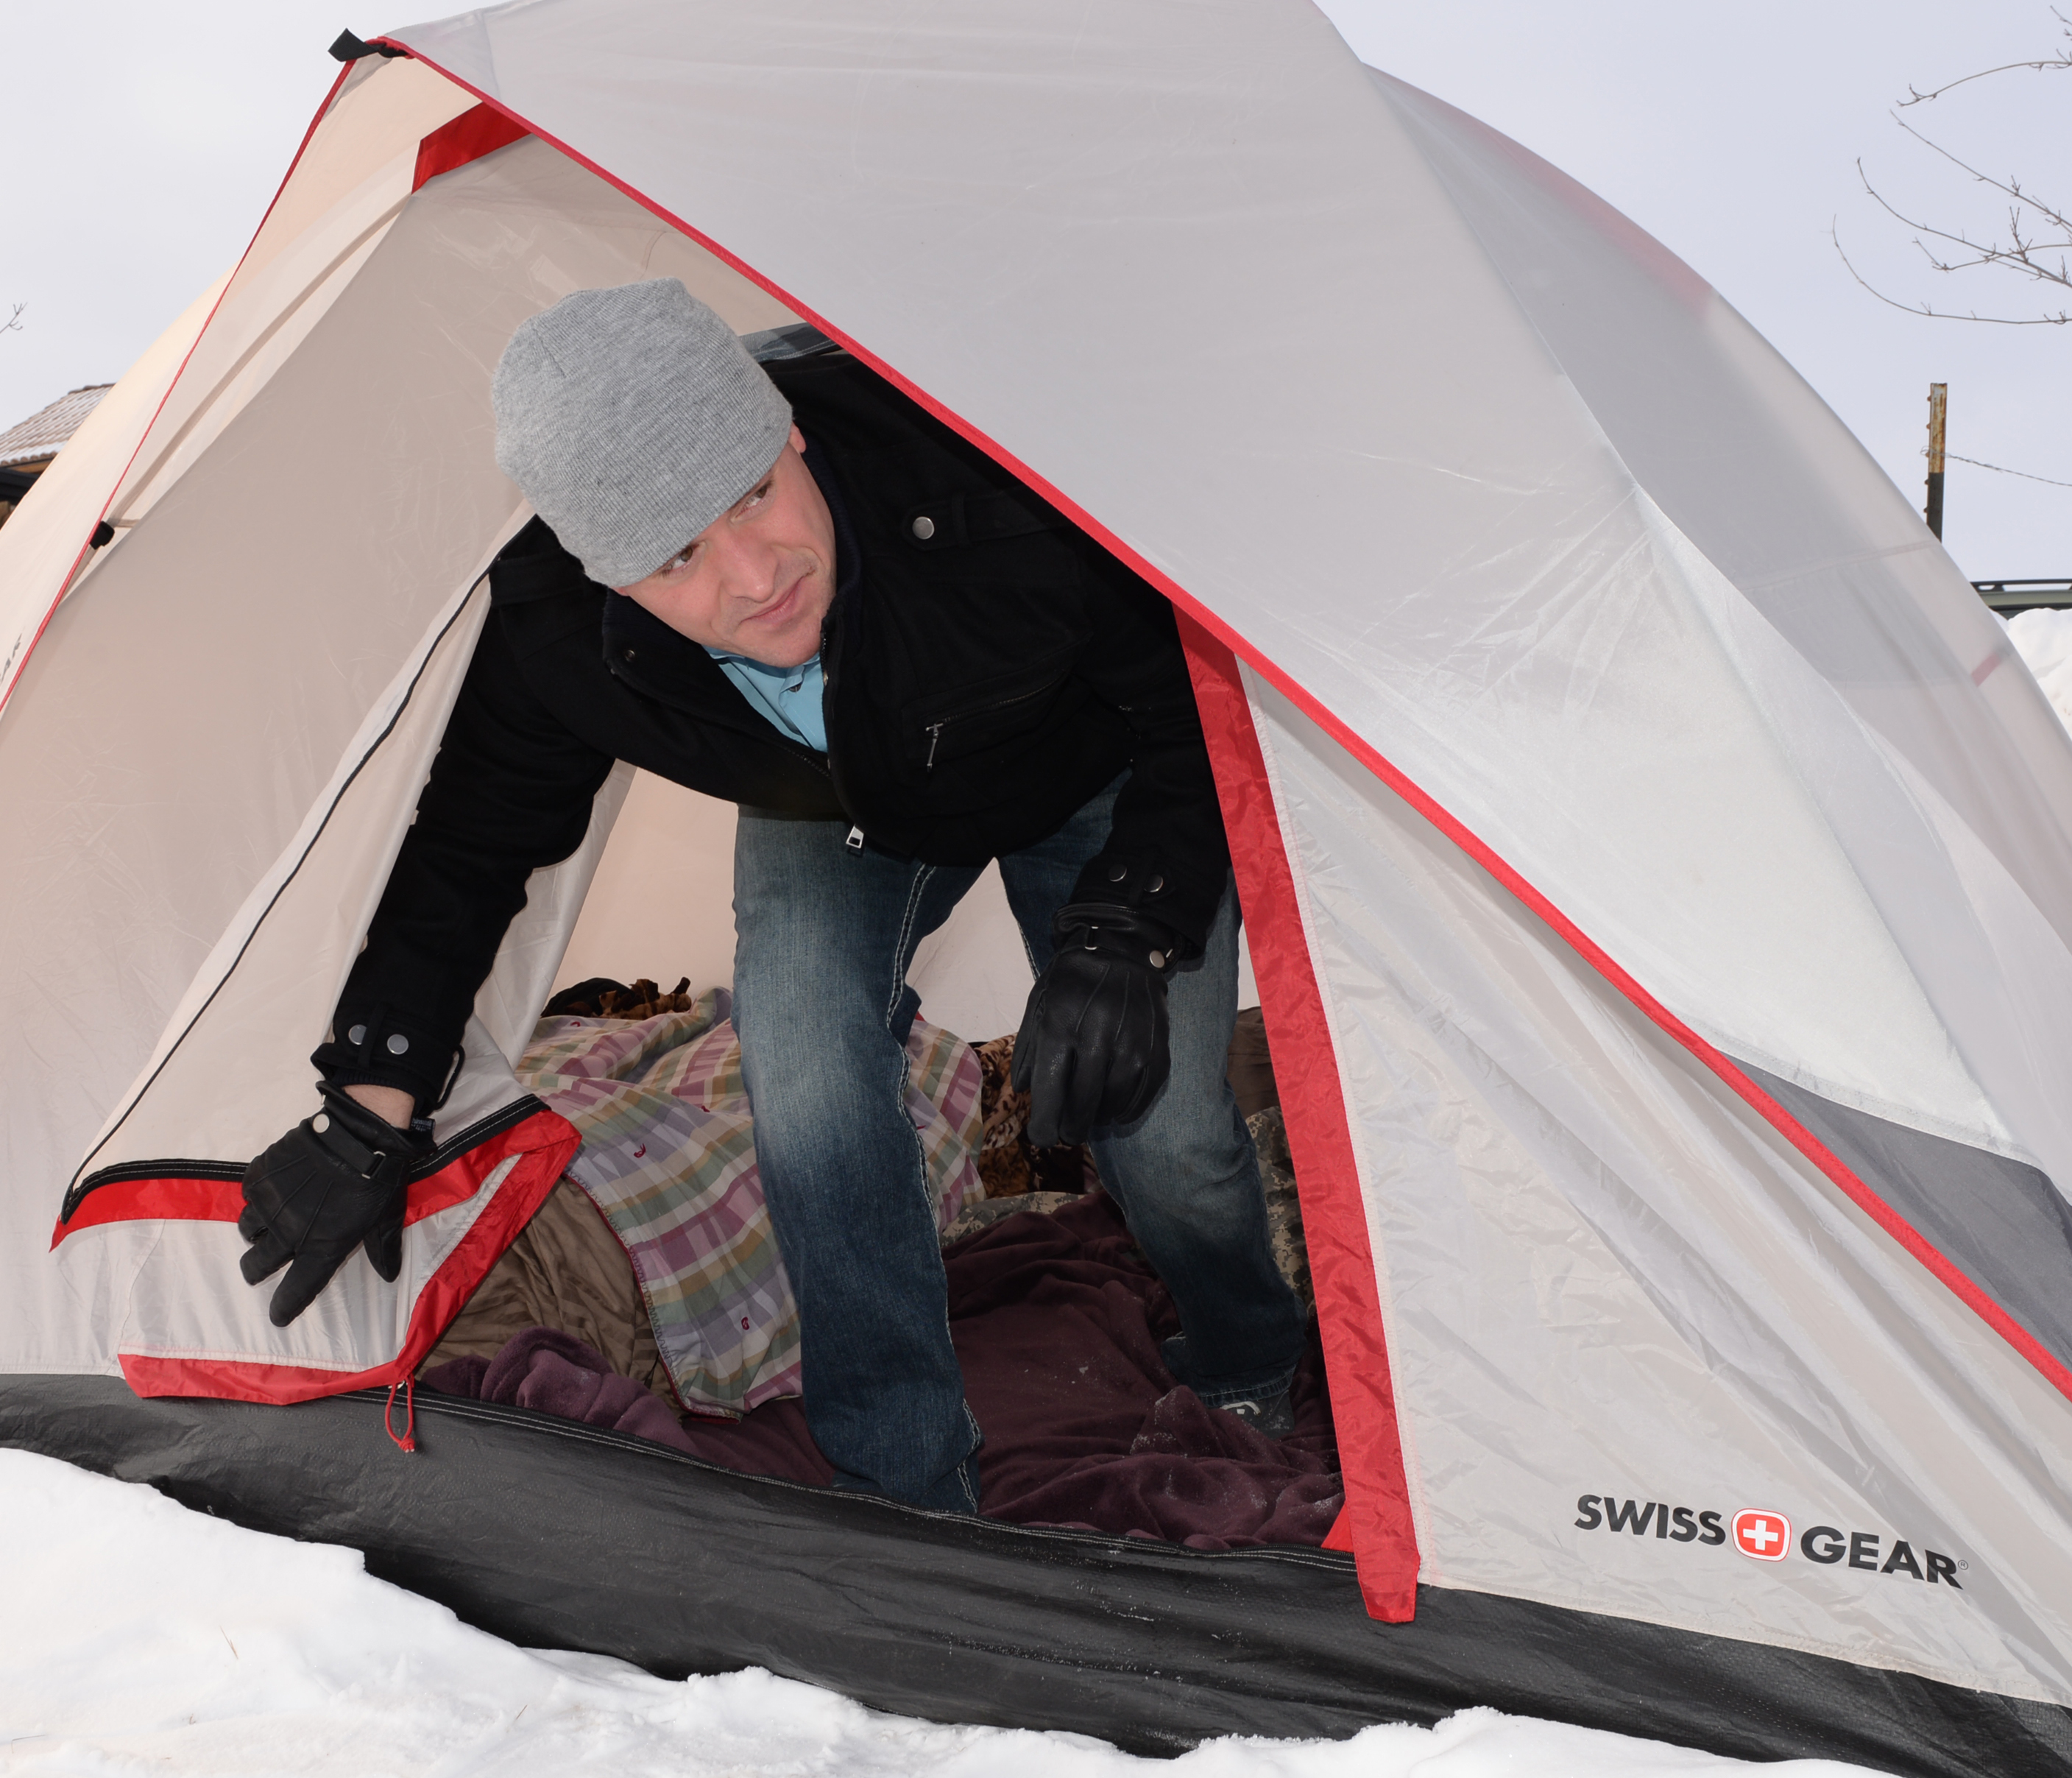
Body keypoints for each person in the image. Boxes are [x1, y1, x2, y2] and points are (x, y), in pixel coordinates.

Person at [233, 278, 1303, 1513]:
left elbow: (1195, 697)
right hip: (837, 800)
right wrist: (372, 1101)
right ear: (609, 580)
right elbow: (471, 848)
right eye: (677, 556)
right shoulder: (553, 633)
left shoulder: (981, 461)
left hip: (1092, 761)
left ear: (791, 426)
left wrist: (1129, 923)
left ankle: (1247, 1347)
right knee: (800, 1070)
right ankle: (905, 1480)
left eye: (754, 495)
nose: (754, 578)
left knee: (1161, 1119)